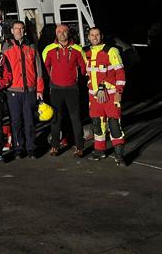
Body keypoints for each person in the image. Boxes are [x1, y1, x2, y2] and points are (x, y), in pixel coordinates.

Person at [41, 24, 87, 158]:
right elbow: (46, 68)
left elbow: (83, 69)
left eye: (64, 31)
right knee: (56, 119)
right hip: (56, 89)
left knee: (75, 118)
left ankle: (79, 147)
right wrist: (54, 79)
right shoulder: (49, 49)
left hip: (72, 89)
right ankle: (55, 146)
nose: (62, 34)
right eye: (59, 31)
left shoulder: (78, 49)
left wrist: (75, 79)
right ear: (56, 34)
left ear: (69, 33)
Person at [2, 20, 45, 159]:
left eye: (21, 28)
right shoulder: (6, 46)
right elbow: (2, 68)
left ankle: (31, 148)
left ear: (24, 30)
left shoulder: (31, 46)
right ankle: (19, 148)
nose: (18, 31)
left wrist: (39, 90)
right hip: (13, 91)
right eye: (16, 28)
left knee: (29, 121)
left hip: (30, 91)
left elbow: (39, 69)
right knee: (16, 121)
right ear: (12, 30)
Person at [84, 27, 127, 165]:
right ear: (88, 37)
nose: (94, 37)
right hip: (94, 96)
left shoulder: (111, 51)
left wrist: (119, 91)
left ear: (101, 36)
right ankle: (99, 151)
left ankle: (119, 155)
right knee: (97, 124)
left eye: (97, 35)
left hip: (111, 95)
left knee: (114, 124)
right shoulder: (87, 53)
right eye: (92, 35)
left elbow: (120, 73)